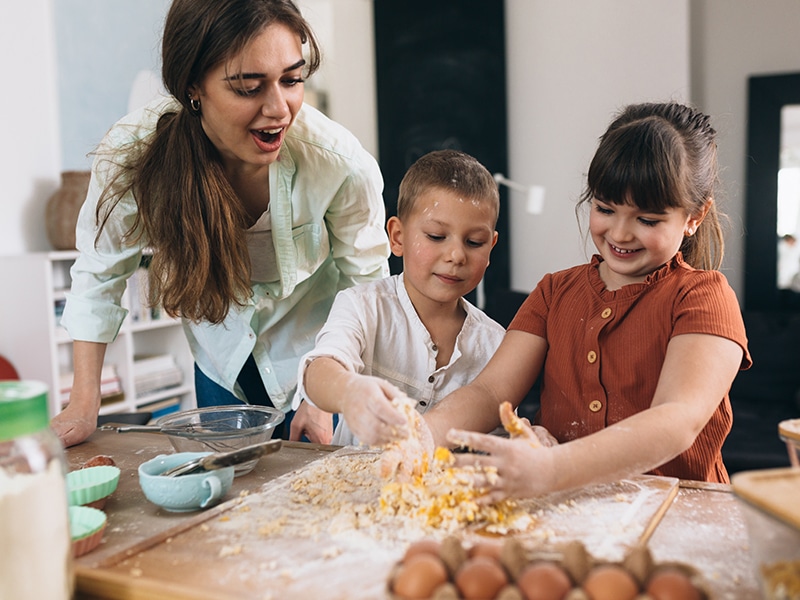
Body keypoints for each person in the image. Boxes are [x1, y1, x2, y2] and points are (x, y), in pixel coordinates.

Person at [51, 0, 390, 448]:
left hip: (316, 358)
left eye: (291, 80)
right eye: (249, 87)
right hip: (220, 360)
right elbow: (100, 274)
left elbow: (367, 288)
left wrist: (327, 391)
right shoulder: (132, 156)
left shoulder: (338, 163)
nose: (279, 109)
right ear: (193, 86)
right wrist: (83, 402)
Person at [422, 102, 752, 500]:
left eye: (647, 220)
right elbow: (490, 394)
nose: (620, 232)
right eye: (605, 209)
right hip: (569, 507)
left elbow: (676, 420)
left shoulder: (703, 297)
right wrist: (419, 436)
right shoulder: (553, 292)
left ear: (695, 217)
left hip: (678, 511)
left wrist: (552, 468)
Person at [296, 149, 505, 447]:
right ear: (397, 237)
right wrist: (349, 391)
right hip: (355, 489)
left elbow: (497, 441)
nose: (457, 255)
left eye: (474, 242)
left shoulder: (496, 344)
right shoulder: (362, 306)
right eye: (436, 236)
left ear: (491, 248)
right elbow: (321, 368)